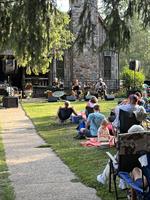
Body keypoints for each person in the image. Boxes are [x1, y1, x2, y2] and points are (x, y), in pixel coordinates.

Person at [97, 125, 145, 189]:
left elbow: (118, 159)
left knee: (113, 160)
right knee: (124, 162)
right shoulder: (145, 145)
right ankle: (122, 184)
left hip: (123, 168)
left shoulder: (125, 145)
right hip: (140, 167)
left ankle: (103, 178)